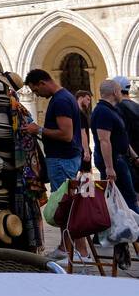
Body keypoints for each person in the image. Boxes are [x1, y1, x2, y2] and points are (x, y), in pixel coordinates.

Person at [25, 68, 85, 260]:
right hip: (65, 158)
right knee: (68, 205)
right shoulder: (64, 97)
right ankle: (66, 246)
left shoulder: (60, 101)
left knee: (65, 206)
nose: (37, 96)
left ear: (42, 83)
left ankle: (74, 250)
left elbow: (66, 134)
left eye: (36, 91)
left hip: (62, 159)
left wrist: (38, 130)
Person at [94, 79, 139, 213]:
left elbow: (122, 136)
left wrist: (135, 157)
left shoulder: (112, 110)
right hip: (115, 162)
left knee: (127, 197)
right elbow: (104, 141)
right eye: (120, 91)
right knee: (128, 198)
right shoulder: (102, 112)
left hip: (121, 159)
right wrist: (109, 168)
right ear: (115, 92)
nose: (122, 94)